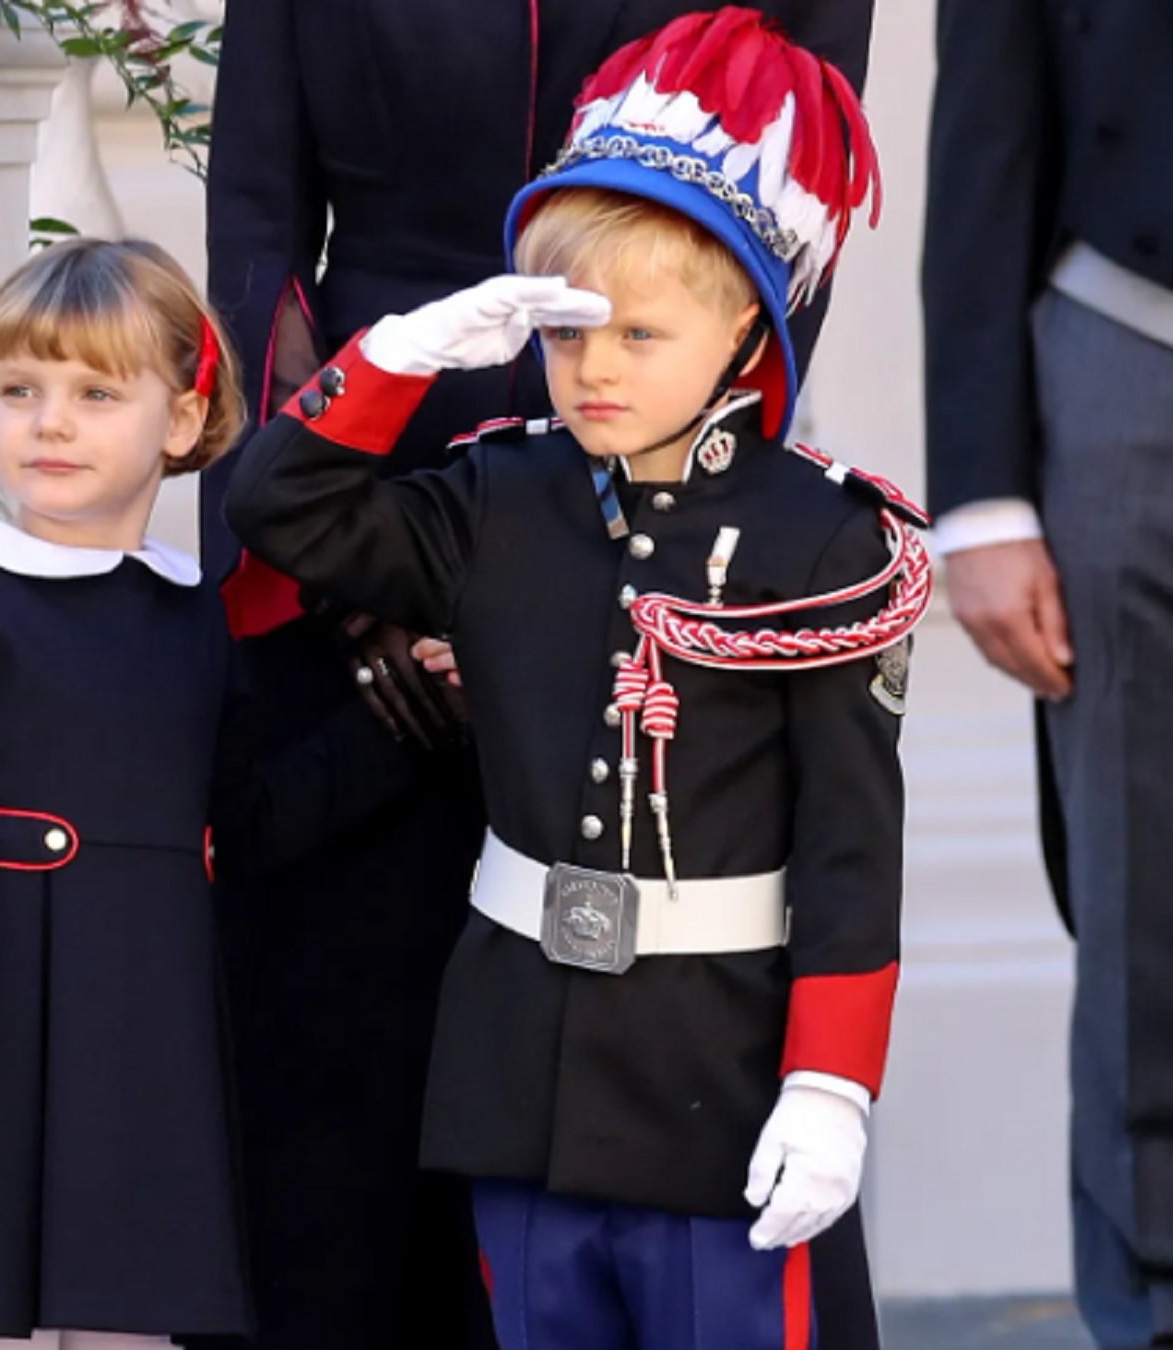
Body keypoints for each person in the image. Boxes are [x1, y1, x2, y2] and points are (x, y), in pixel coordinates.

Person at [222, 12, 930, 1346]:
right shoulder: (503, 495)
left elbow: (847, 844)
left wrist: (831, 1082)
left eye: (641, 340)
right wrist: (393, 365)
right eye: (577, 343)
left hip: (705, 1075)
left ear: (736, 332)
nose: (596, 367)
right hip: (521, 1072)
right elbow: (279, 478)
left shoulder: (816, 545)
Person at [0, 238, 426, 1348]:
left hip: (144, 1039)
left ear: (180, 422)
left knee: (130, 1318)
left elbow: (249, 822)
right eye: (21, 391)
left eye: (93, 393)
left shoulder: (193, 620)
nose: (51, 422)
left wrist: (403, 714)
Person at [922, 2, 1173, 1343]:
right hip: (1141, 356)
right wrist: (979, 497)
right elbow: (984, 130)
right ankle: (1172, 1305)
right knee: (1151, 900)